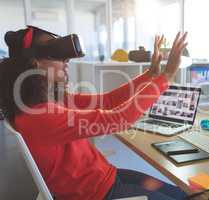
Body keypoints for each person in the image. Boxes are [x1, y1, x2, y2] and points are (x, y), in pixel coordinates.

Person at [0, 26, 188, 200]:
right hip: (97, 193)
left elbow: (107, 101)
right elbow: (118, 119)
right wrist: (167, 76)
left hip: (107, 177)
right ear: (35, 63)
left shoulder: (53, 100)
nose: (67, 62)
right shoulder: (38, 116)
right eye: (58, 56)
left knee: (180, 194)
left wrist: (150, 75)